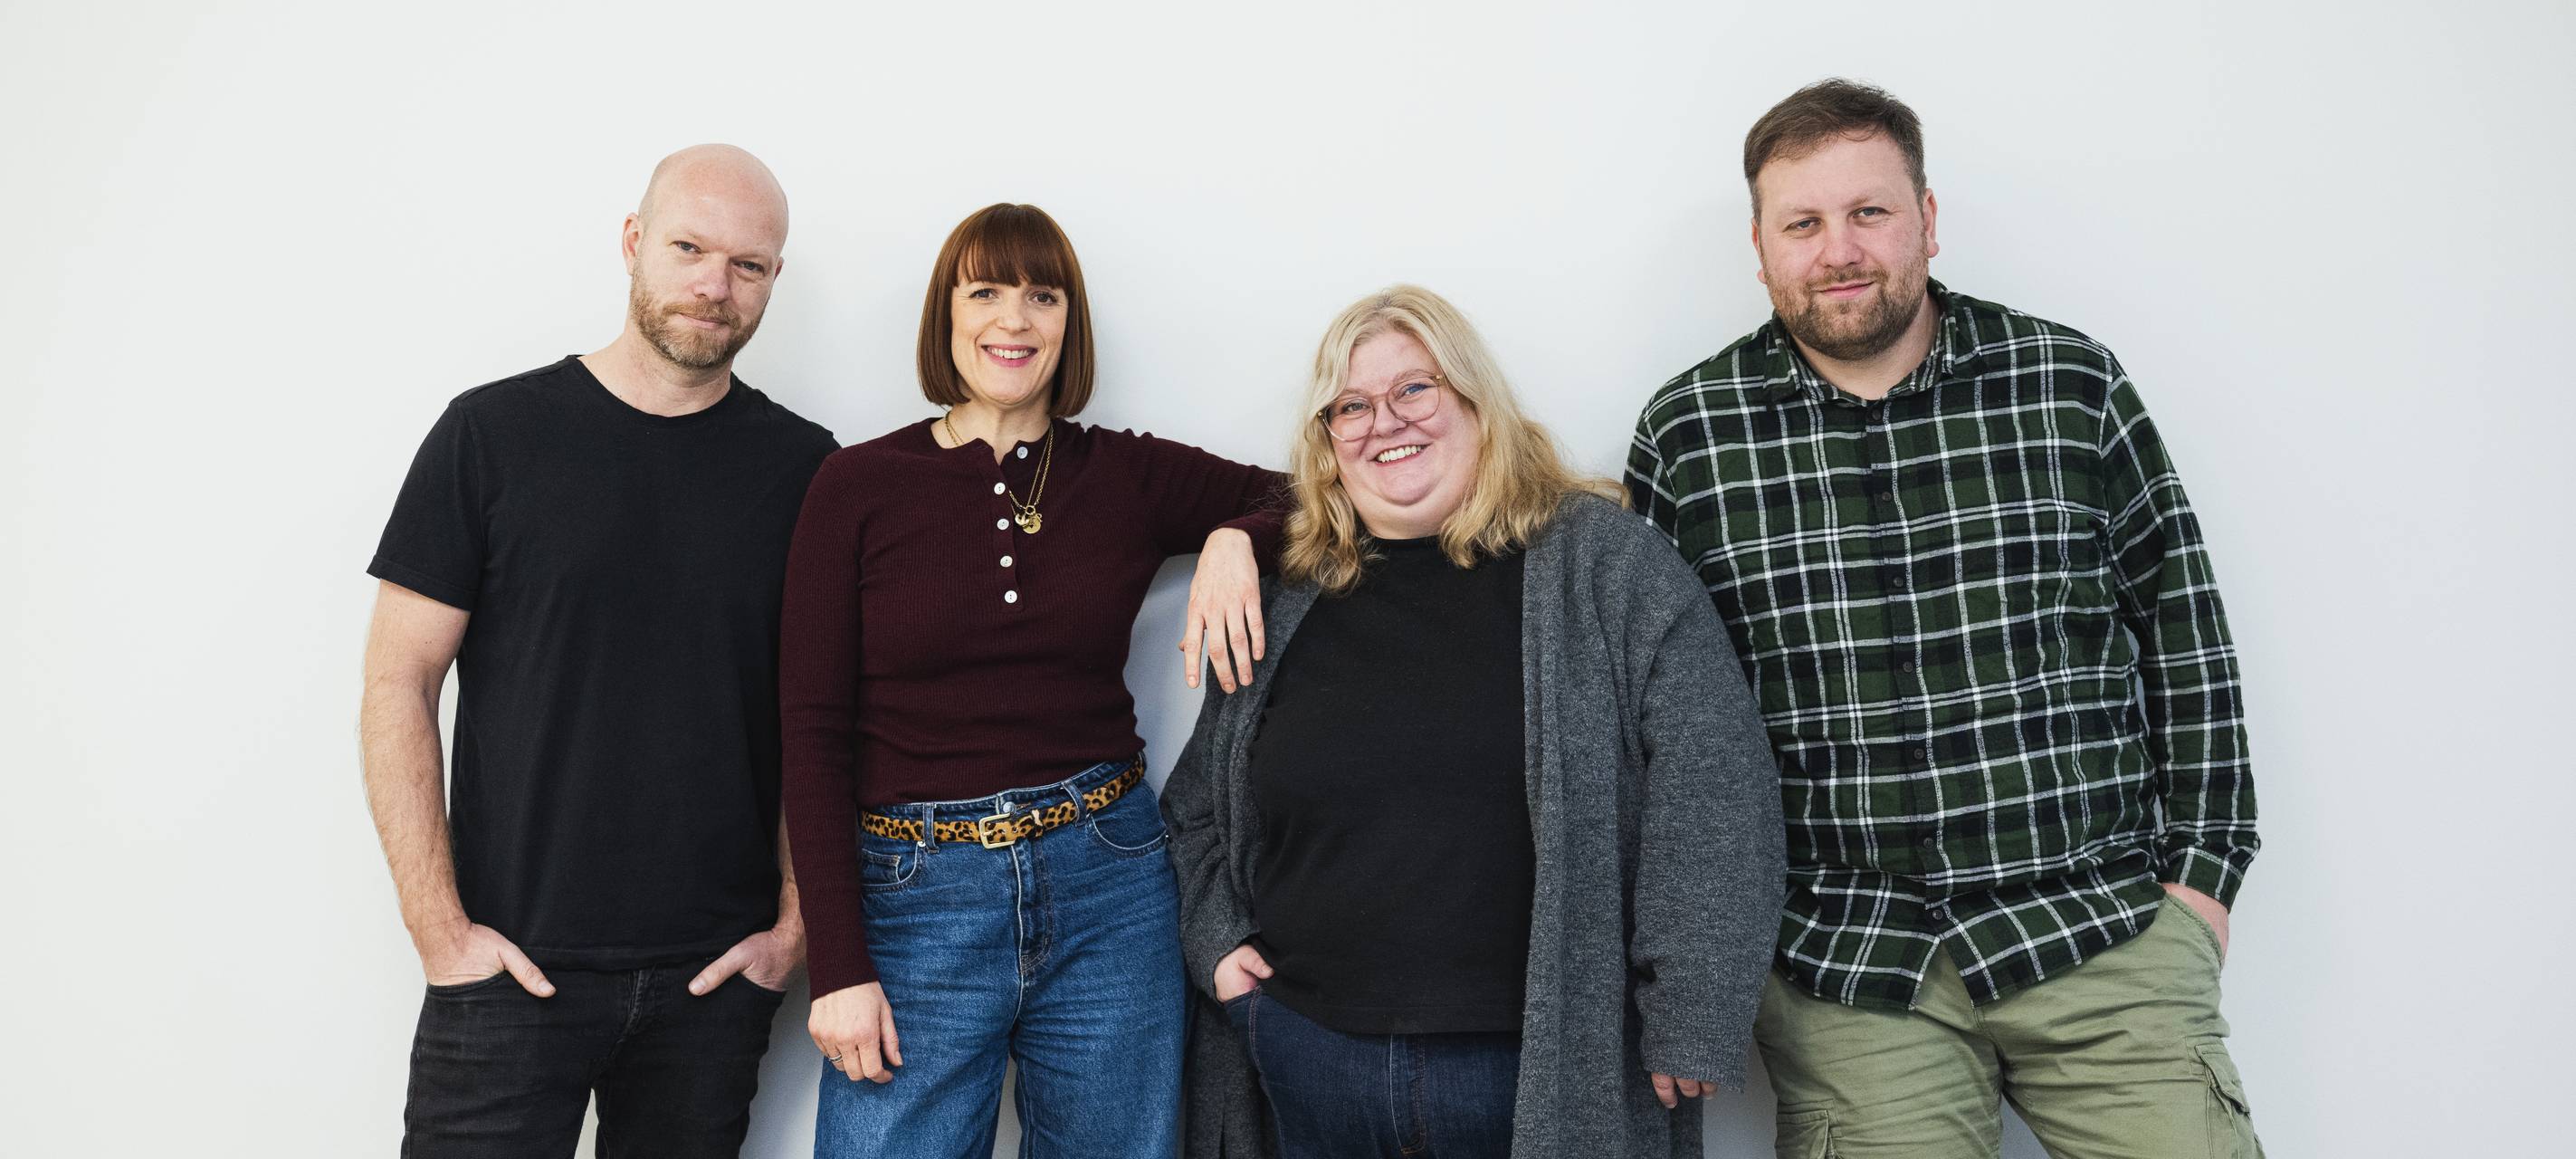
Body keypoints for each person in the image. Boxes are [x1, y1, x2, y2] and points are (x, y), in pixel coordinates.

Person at [1626, 79, 2265, 1158]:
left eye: (1868, 212)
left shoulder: (2067, 385)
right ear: (1759, 246)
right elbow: (1662, 730)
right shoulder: (1689, 435)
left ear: (1925, 217)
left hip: (2100, 928)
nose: (1838, 249)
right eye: (1803, 222)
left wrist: (2200, 882)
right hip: (1850, 965)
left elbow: (2182, 629)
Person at [1164, 284, 1786, 1159]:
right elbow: (1196, 807)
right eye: (1351, 406)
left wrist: (1694, 1006)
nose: (1384, 421)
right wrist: (1219, 948)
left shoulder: (1601, 564)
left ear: (1474, 403)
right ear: (1327, 442)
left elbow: (1715, 783)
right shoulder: (1288, 597)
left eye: (1415, 389)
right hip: (1309, 1051)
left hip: (1538, 1067)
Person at [779, 202, 1284, 1158]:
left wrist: (1233, 536)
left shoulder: (1124, 474)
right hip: (916, 895)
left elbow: (1309, 497)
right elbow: (808, 731)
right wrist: (836, 964)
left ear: (1068, 321)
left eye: (1040, 295)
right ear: (947, 315)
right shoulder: (854, 485)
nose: (1014, 320)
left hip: (1111, 881)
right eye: (986, 291)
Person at [358, 144, 832, 1157]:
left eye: (748, 265)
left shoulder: (807, 470)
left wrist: (796, 920)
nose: (714, 284)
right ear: (632, 242)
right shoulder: (489, 434)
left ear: (773, 280)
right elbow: (398, 679)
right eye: (689, 247)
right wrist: (438, 930)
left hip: (712, 983)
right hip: (508, 970)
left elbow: (820, 713)